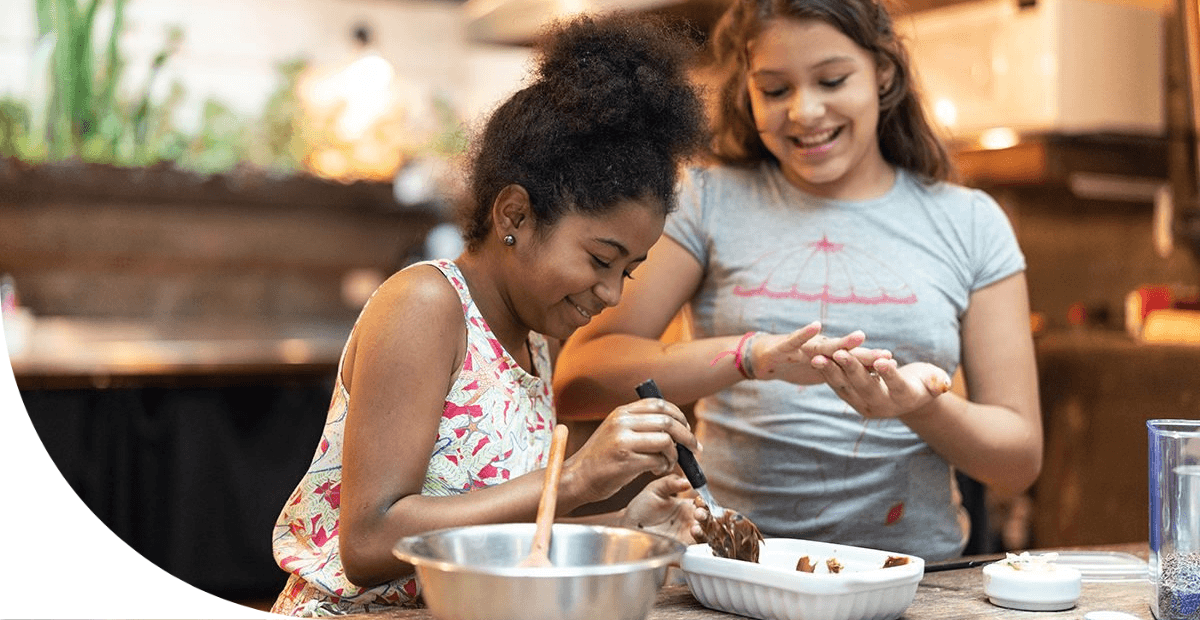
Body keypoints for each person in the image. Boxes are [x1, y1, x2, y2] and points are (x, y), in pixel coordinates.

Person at [553, 0, 1043, 562]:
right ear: (748, 90)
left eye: (832, 80)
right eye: (776, 90)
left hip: (914, 579)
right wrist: (748, 355)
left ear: (883, 73)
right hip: (735, 572)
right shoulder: (705, 202)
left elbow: (1019, 461)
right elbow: (581, 377)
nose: (806, 111)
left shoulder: (971, 222)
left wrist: (917, 407)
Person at [269, 13, 707, 616]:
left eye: (628, 271)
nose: (612, 294)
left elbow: (494, 541)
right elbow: (369, 542)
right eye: (601, 259)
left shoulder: (535, 340)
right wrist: (576, 477)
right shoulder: (427, 306)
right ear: (515, 216)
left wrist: (629, 526)